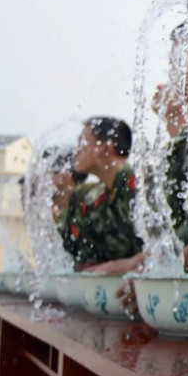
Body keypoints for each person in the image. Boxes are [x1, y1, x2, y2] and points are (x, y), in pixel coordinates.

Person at [63, 117, 143, 274]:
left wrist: (126, 266)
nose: (77, 150)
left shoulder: (141, 188)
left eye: (83, 142)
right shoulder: (100, 197)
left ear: (107, 148)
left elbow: (168, 248)